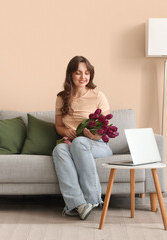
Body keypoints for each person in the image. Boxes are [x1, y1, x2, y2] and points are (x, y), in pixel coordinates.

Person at [52, 56, 113, 220]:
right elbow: (58, 126)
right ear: (70, 74)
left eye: (86, 73)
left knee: (79, 143)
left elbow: (106, 127)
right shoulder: (61, 97)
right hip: (72, 143)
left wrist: (95, 135)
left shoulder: (98, 95)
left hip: (97, 144)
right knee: (59, 150)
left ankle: (92, 199)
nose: (83, 77)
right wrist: (66, 132)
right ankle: (78, 204)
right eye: (78, 73)